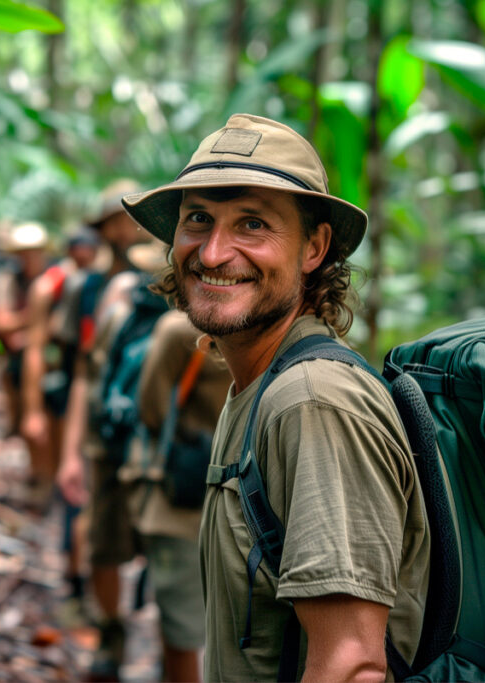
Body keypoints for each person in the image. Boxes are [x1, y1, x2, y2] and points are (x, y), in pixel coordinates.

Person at [121, 114, 431, 681]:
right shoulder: (258, 387)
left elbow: (351, 664)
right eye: (198, 219)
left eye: (253, 225)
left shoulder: (313, 402)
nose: (213, 253)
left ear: (314, 248)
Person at [55, 180, 151, 681]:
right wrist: (69, 451)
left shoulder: (170, 275)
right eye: (118, 218)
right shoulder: (88, 287)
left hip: (160, 437)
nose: (127, 227)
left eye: (135, 217)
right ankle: (112, 633)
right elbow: (80, 374)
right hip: (105, 433)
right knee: (102, 539)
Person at [122, 240, 230, 683]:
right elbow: (152, 408)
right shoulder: (178, 332)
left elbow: (150, 407)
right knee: (185, 620)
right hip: (187, 492)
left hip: (218, 492)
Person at [20, 226, 102, 507]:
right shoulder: (48, 287)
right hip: (63, 376)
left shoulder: (103, 280)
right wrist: (32, 411)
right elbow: (35, 349)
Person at [0, 220, 49, 440]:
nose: (30, 258)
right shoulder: (7, 280)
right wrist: (34, 317)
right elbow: (0, 322)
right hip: (15, 357)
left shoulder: (53, 278)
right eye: (24, 253)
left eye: (34, 252)